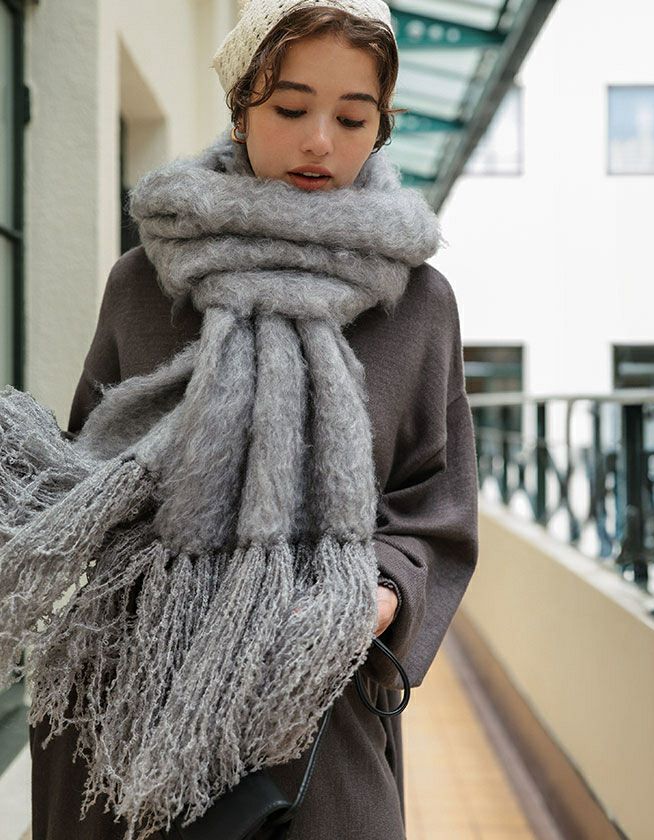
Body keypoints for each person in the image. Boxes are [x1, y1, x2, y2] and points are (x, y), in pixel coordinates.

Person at [20, 1, 479, 838]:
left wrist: (374, 600)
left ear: (381, 126)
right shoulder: (143, 279)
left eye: (353, 118)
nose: (319, 141)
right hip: (132, 694)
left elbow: (434, 505)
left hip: (311, 704)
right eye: (291, 108)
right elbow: (89, 466)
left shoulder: (418, 302)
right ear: (241, 110)